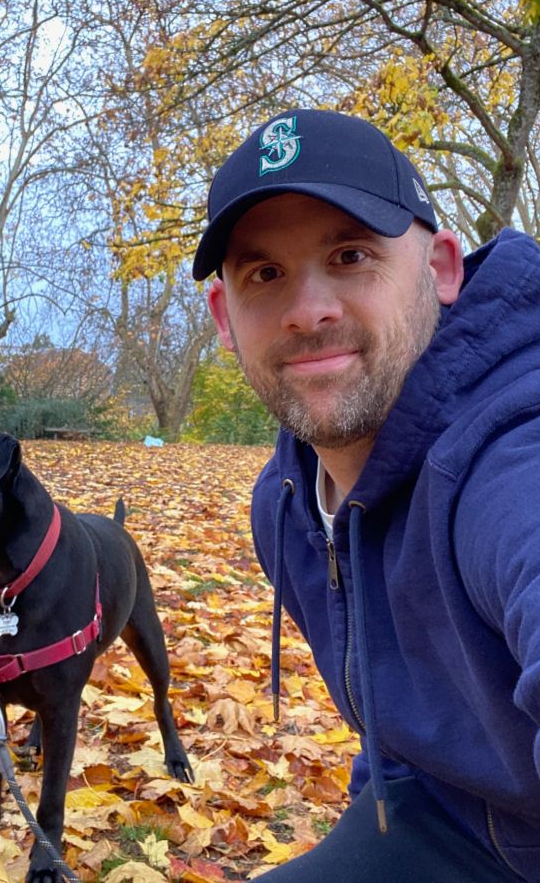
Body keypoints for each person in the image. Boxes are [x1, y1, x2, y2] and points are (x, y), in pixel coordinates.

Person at [192, 109, 540, 882]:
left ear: (441, 269)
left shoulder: (509, 456)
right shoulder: (286, 504)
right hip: (438, 819)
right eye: (264, 274)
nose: (307, 310)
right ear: (225, 317)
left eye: (350, 256)